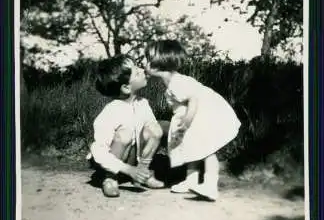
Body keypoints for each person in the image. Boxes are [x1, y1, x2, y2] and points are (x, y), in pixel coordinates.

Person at [144, 39, 241, 201]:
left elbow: (194, 100)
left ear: (158, 63)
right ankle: (191, 180)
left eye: (148, 60)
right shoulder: (172, 82)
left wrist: (187, 122)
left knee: (207, 151)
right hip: (195, 116)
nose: (145, 64)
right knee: (192, 148)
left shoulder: (177, 82)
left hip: (202, 115)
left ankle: (210, 185)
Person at [87, 55, 165, 198]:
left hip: (135, 158)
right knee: (125, 134)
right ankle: (110, 178)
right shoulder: (111, 111)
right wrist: (128, 169)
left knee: (154, 128)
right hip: (113, 162)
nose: (142, 70)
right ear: (126, 87)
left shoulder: (143, 103)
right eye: (136, 72)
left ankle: (142, 173)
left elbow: (152, 135)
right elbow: (98, 151)